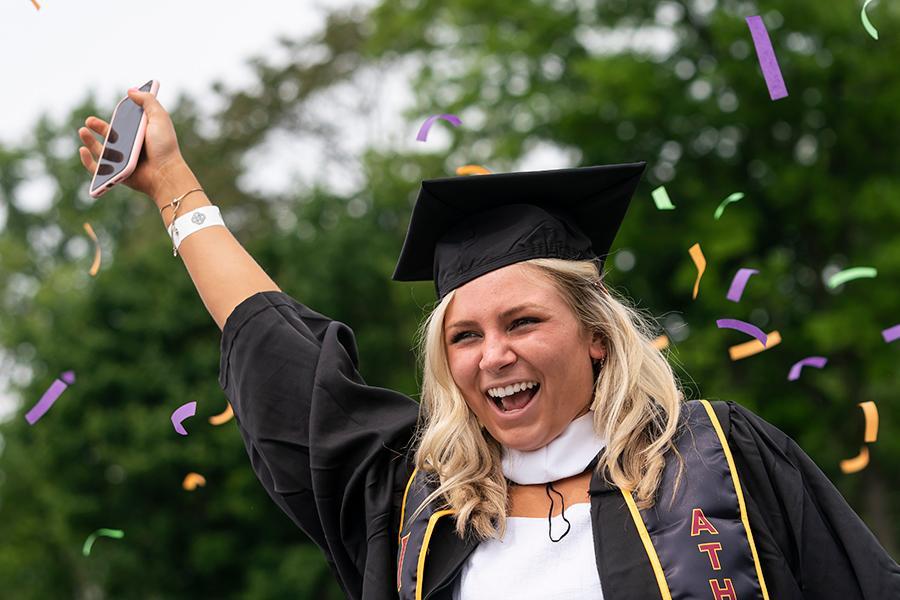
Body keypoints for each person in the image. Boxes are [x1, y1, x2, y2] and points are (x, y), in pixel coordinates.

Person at [77, 88, 900, 600]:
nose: (492, 354)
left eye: (523, 322)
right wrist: (174, 189)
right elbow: (285, 360)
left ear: (598, 338)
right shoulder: (417, 506)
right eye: (464, 336)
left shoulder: (717, 459)